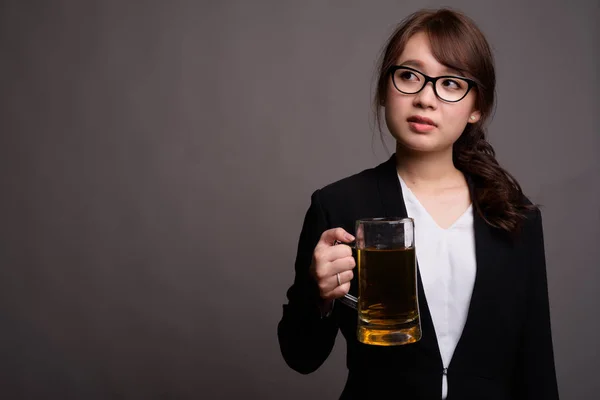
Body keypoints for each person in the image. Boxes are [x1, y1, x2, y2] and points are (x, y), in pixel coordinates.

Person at [277, 8, 559, 400]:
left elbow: (537, 368)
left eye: (450, 83)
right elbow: (300, 355)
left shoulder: (514, 215)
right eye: (409, 76)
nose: (426, 98)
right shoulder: (338, 205)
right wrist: (318, 295)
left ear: (476, 106)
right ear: (384, 89)